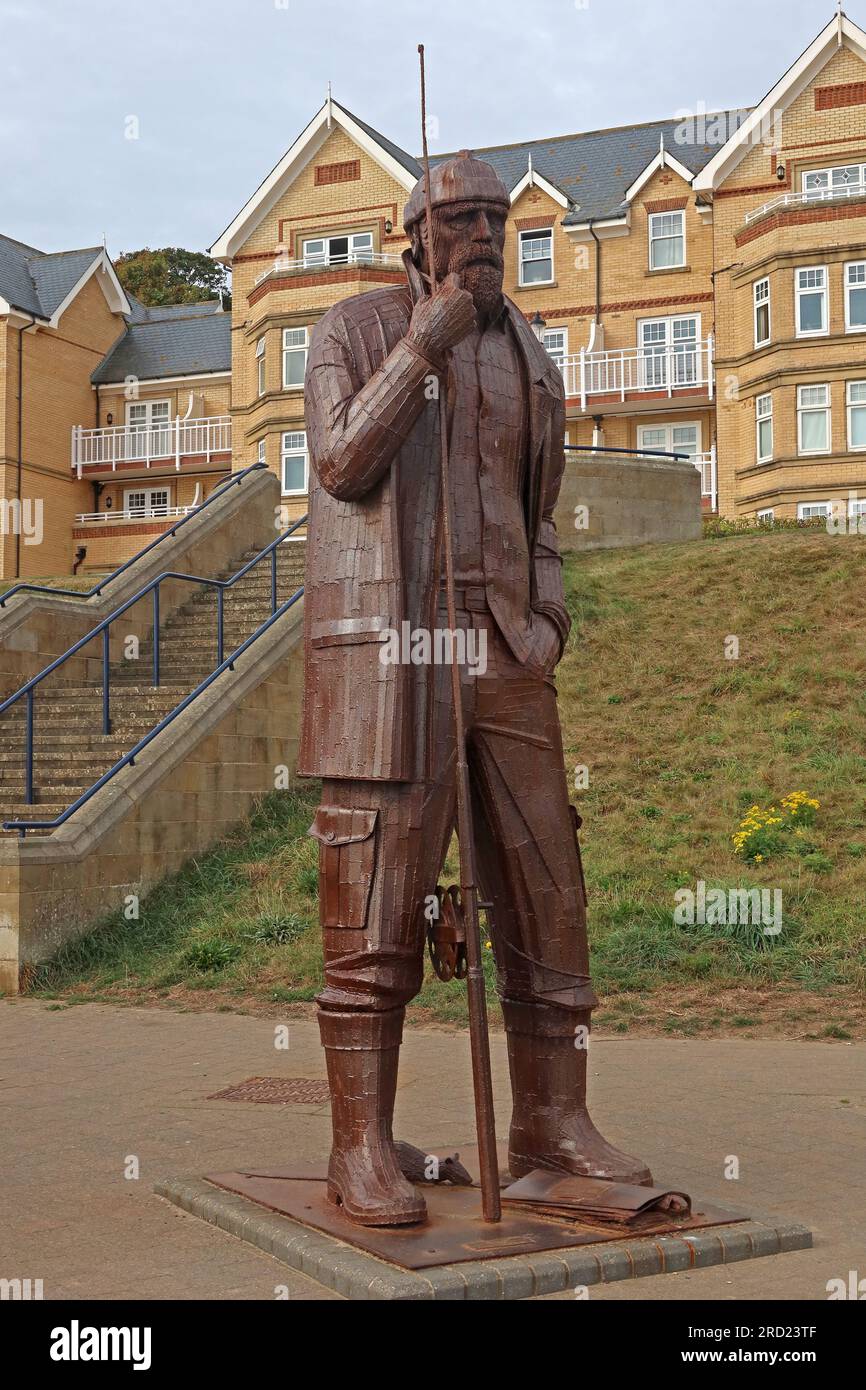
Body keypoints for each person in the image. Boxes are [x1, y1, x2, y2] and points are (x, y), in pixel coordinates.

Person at [299, 152, 649, 1226]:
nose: (483, 233)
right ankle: (359, 1142)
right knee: (377, 900)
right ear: (415, 232)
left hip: (505, 647)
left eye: (496, 216)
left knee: (550, 889)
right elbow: (341, 458)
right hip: (397, 651)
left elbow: (535, 504)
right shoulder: (354, 329)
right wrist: (424, 343)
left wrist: (545, 617)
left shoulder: (528, 352)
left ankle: (549, 1121)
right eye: (459, 216)